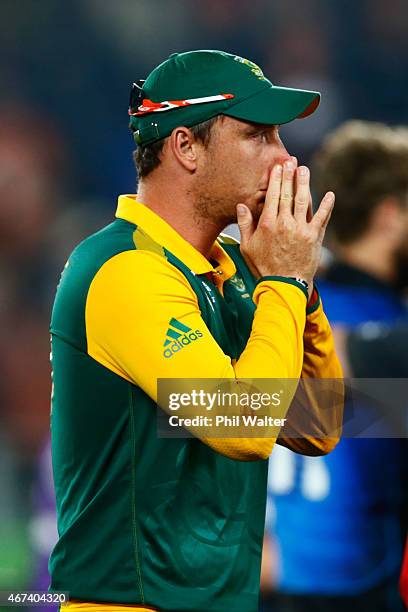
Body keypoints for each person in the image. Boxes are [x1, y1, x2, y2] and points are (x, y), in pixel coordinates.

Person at [49, 50, 343, 612]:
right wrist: (284, 279)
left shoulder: (233, 268)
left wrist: (299, 290)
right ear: (186, 146)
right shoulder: (123, 269)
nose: (285, 160)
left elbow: (316, 422)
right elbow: (245, 426)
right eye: (259, 136)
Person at [267, 120, 408, 612]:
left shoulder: (286, 308)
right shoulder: (388, 323)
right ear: (390, 215)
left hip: (268, 579)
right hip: (357, 587)